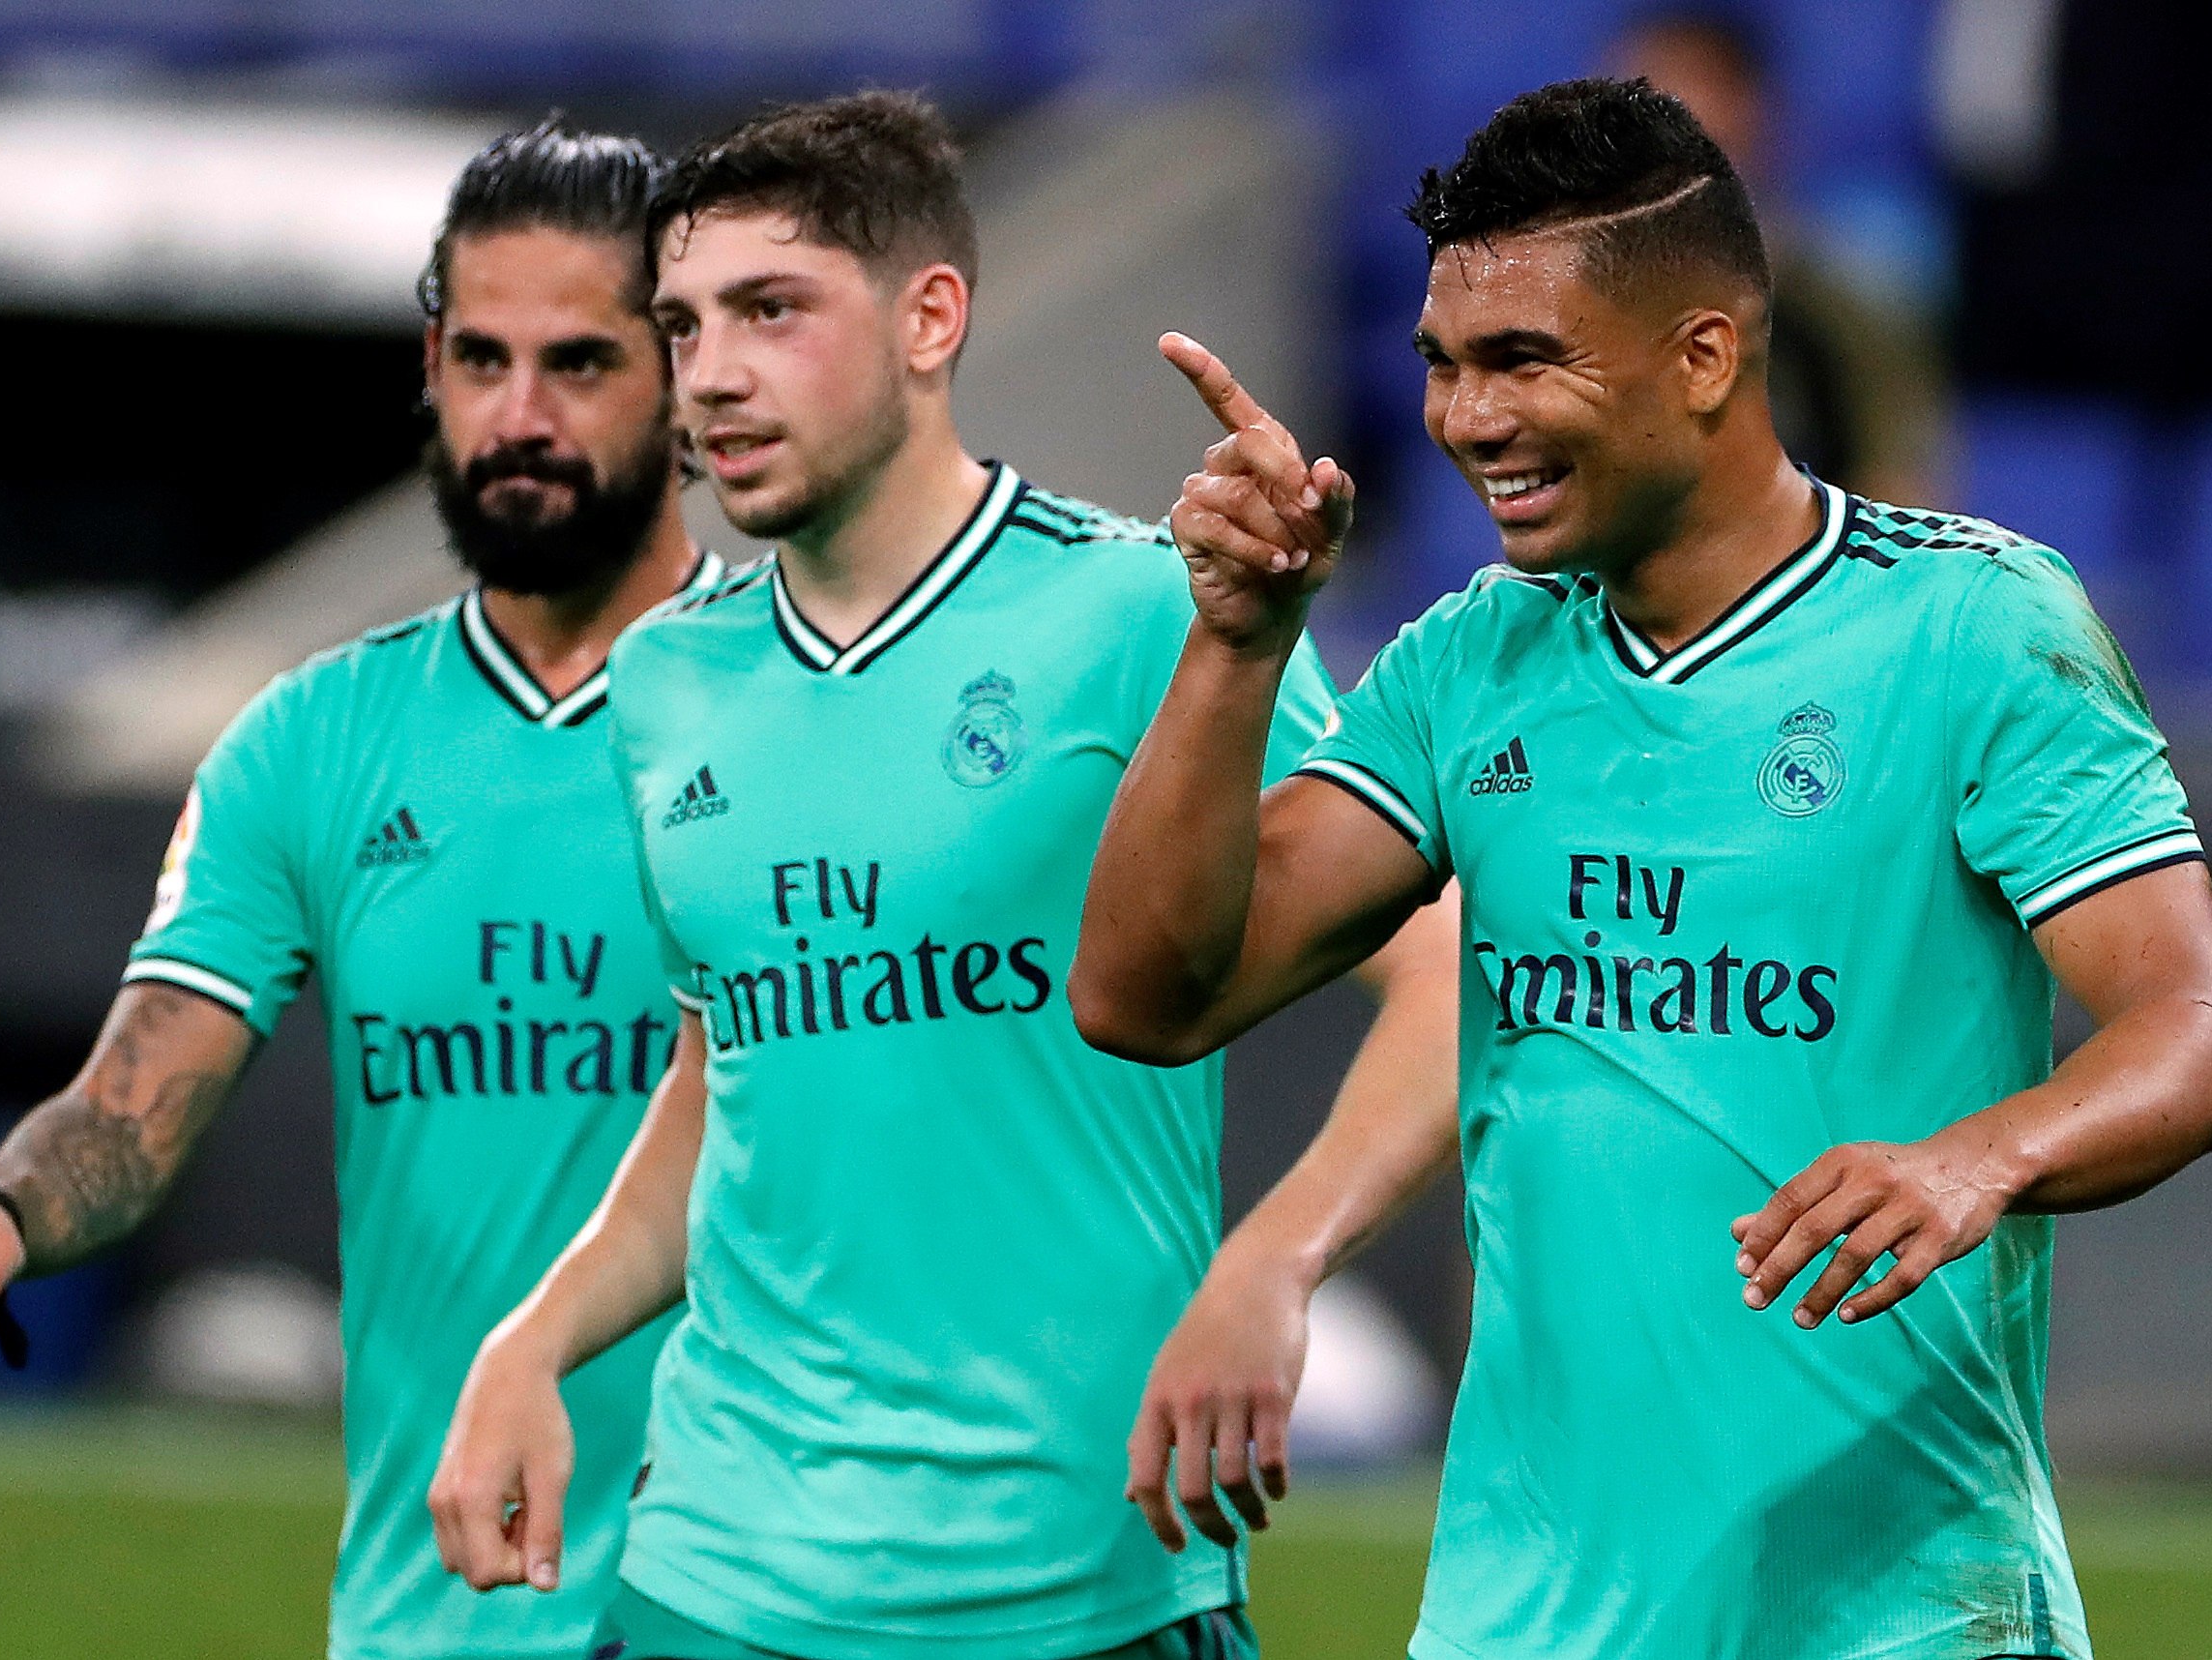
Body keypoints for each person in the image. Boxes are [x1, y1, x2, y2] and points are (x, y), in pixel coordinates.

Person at [1070, 77, 2212, 1660]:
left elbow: (2201, 1036)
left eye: (1517, 359)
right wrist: (1234, 648)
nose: (1461, 417)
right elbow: (1146, 996)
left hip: (1895, 1612)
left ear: (1701, 355)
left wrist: (1968, 1159)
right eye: (1438, 364)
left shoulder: (1971, 629)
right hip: (1525, 1617)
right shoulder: (1462, 666)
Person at [428, 91, 1460, 1660]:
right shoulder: (661, 684)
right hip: (716, 1572)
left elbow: (1445, 973)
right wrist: (533, 1339)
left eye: (770, 312)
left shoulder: (1146, 615)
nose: (708, 373)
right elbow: (729, 1077)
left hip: (1077, 1588)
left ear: (929, 318)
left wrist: (1274, 1260)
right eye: (682, 324)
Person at [0, 121, 720, 1660]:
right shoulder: (312, 745)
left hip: (767, 1606)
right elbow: (131, 1108)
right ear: (430, 363)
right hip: (439, 1614)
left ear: (682, 368)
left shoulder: (811, 698)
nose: (516, 416)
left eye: (578, 365)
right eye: (481, 360)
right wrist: (1, 1214)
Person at [1607, 7, 1943, 503]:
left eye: (1689, 100)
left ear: (1757, 114)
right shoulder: (1575, 312)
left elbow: (1901, 499)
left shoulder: (1850, 310)